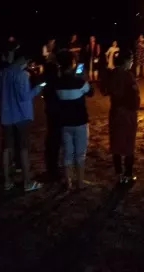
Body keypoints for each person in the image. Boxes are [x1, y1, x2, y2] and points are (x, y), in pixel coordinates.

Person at [0, 52, 44, 192]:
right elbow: (25, 97)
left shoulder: (2, 74)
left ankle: (7, 181)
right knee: (23, 148)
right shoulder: (22, 75)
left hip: (6, 115)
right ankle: (27, 182)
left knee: (7, 148)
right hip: (21, 116)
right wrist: (39, 88)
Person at [54, 51, 94, 190]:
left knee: (67, 153)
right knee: (80, 153)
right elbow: (91, 92)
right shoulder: (79, 82)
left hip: (65, 123)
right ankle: (80, 182)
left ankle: (69, 182)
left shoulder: (58, 83)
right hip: (80, 122)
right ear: (72, 63)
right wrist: (85, 78)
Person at [104, 50, 140, 185]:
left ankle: (118, 174)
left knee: (116, 143)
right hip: (126, 113)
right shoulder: (128, 76)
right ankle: (128, 174)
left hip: (114, 112)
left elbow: (105, 90)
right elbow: (135, 97)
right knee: (128, 143)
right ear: (126, 61)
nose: (132, 63)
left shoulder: (111, 74)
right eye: (131, 60)